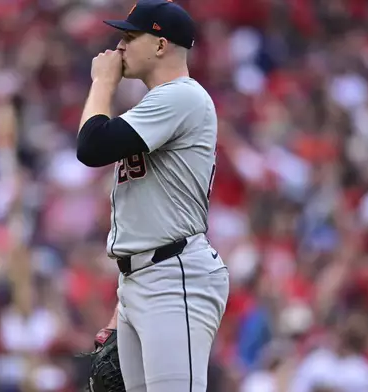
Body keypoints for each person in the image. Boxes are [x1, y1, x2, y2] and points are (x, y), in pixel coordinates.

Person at [76, 1, 230, 391]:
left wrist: (102, 84)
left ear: (160, 46)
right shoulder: (157, 104)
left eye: (130, 36)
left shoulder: (182, 97)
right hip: (143, 276)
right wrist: (120, 306)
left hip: (174, 273)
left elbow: (91, 146)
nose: (120, 46)